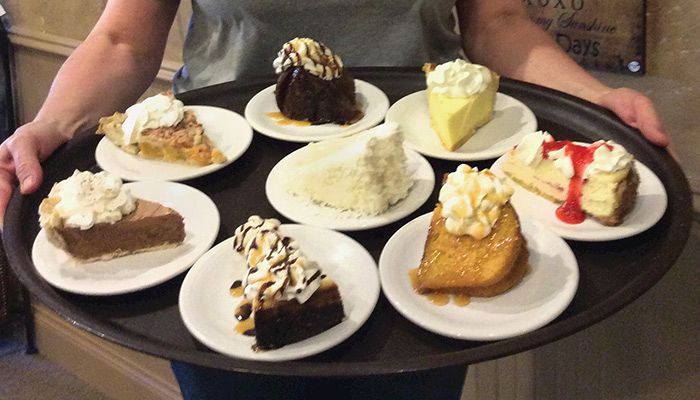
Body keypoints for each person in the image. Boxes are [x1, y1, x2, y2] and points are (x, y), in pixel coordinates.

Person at [0, 0, 671, 399]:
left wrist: (596, 100)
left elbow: (498, 23)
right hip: (228, 198)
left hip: (406, 189)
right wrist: (49, 126)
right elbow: (122, 40)